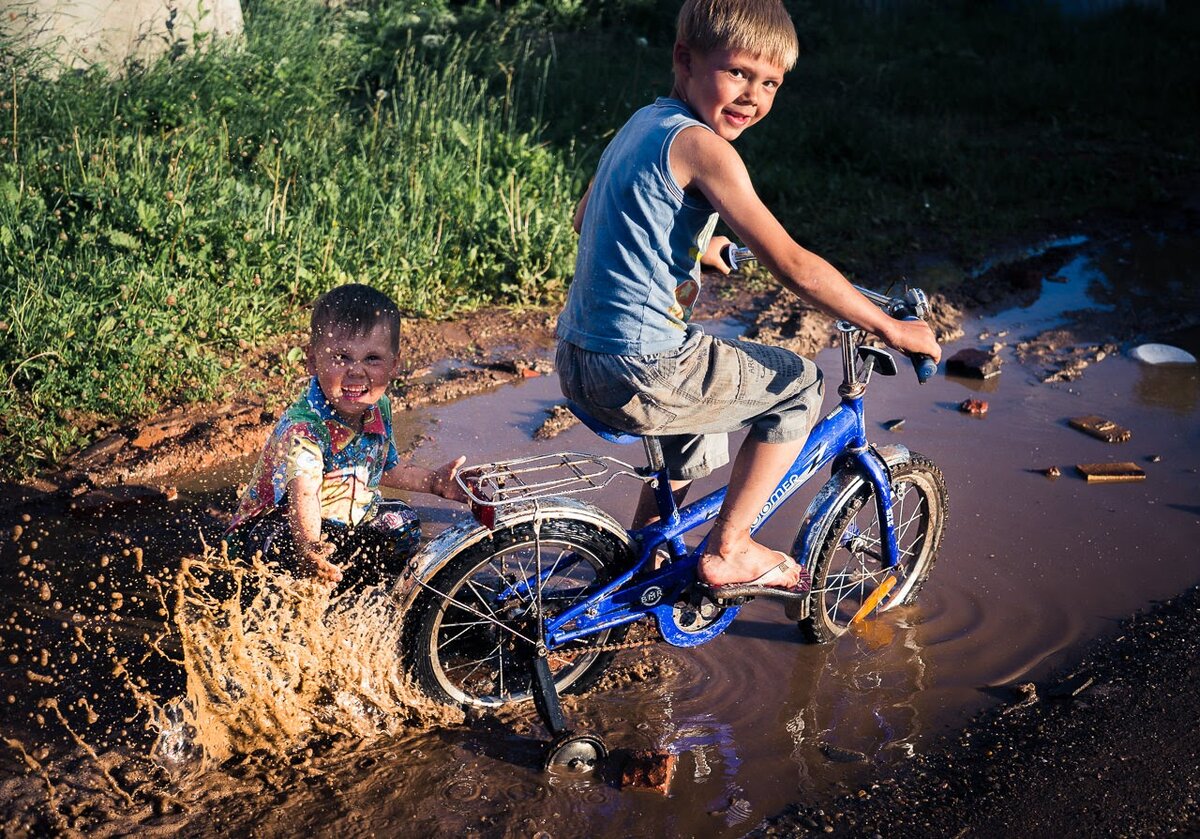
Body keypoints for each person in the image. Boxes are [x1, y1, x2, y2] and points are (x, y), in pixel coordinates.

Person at [555, 0, 941, 600]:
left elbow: (590, 218)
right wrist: (890, 326)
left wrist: (693, 247)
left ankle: (647, 552)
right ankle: (732, 547)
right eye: (737, 72)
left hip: (581, 356)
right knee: (799, 386)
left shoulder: (643, 123)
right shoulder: (707, 149)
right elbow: (794, 266)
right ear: (685, 59)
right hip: (641, 366)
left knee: (700, 411)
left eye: (770, 83)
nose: (752, 96)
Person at [225, 283, 468, 589]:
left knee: (402, 523)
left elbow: (384, 469)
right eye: (342, 357)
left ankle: (364, 593)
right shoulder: (306, 428)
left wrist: (434, 483)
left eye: (372, 359)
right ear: (313, 361)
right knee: (277, 546)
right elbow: (304, 494)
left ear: (394, 365)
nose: (356, 371)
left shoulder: (378, 406)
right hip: (287, 526)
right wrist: (309, 550)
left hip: (341, 520)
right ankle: (284, 595)